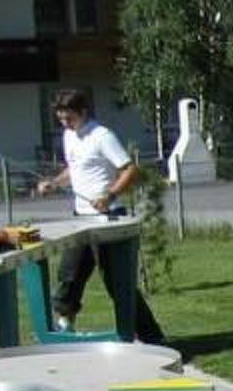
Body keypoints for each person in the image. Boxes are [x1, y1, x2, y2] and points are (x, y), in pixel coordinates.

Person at [33, 89, 168, 344]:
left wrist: (110, 195)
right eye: (61, 119)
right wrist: (54, 182)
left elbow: (129, 170)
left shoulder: (101, 136)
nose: (65, 124)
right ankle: (65, 327)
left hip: (109, 219)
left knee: (117, 283)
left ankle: (151, 337)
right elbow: (73, 169)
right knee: (69, 276)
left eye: (69, 118)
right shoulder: (68, 136)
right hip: (79, 218)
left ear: (83, 112)